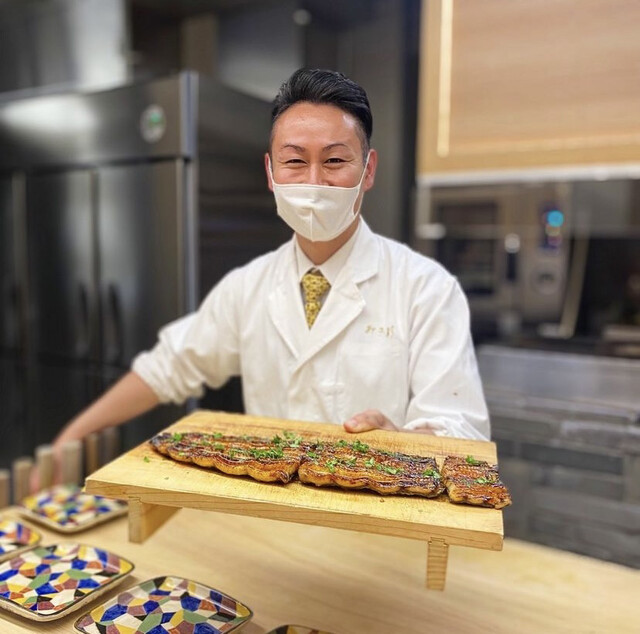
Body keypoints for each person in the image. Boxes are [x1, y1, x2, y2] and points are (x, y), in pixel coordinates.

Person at [47, 68, 490, 471]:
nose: (314, 181)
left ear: (368, 170)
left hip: (377, 526)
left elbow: (461, 432)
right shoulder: (248, 286)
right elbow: (169, 366)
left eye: (334, 161)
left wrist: (401, 443)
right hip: (268, 520)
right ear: (270, 171)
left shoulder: (426, 289)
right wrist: (74, 434)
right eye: (295, 161)